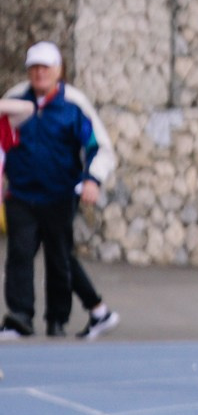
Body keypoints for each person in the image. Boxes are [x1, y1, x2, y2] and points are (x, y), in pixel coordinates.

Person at [1, 42, 118, 340]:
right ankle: (19, 318)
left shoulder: (74, 105)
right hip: (21, 194)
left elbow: (97, 147)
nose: (39, 73)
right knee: (19, 254)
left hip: (60, 194)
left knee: (59, 258)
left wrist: (92, 179)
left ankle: (57, 319)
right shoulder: (14, 100)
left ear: (58, 70)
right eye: (34, 68)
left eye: (45, 67)